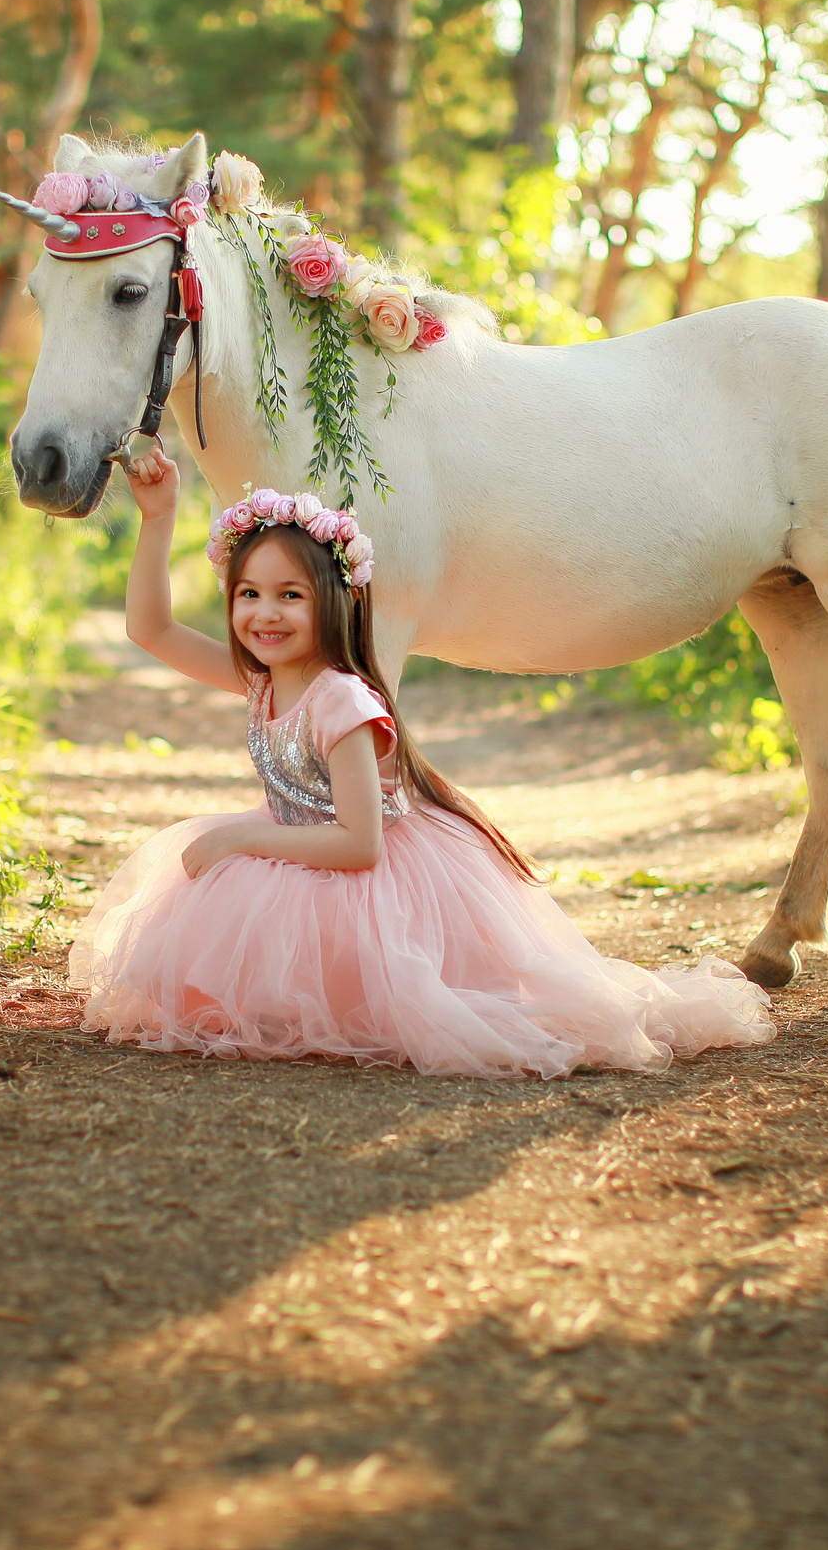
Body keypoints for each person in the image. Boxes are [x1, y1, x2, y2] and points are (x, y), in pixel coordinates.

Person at [67, 448, 774, 1080]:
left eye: (291, 594)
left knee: (425, 999)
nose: (265, 613)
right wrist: (159, 516)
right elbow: (149, 629)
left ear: (335, 599)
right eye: (249, 594)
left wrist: (238, 838)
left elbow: (358, 843)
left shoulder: (339, 698)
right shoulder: (263, 682)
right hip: (301, 853)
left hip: (369, 876)